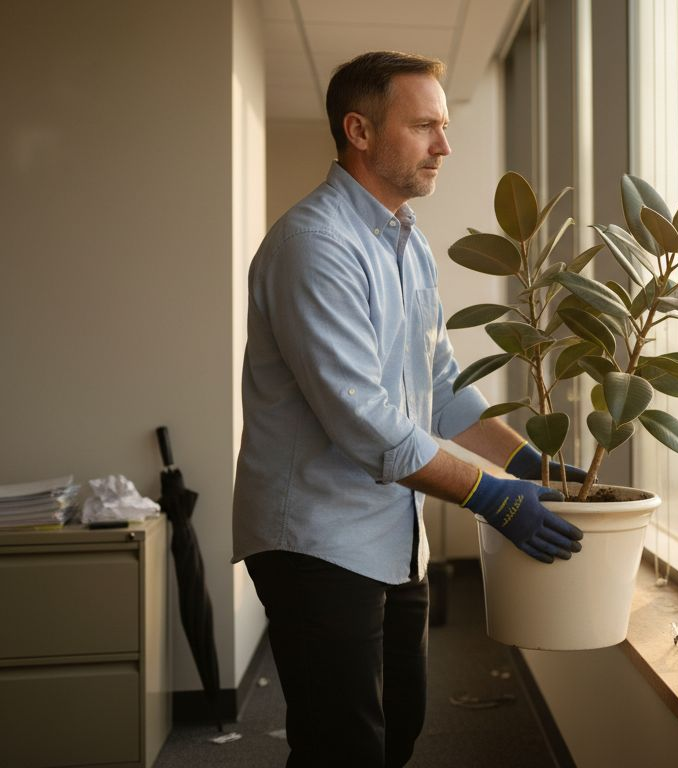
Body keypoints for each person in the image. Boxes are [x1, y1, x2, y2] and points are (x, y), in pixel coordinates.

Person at [232, 50, 584, 768]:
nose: (444, 146)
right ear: (359, 131)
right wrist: (494, 498)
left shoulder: (407, 241)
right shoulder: (314, 246)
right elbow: (366, 423)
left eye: (444, 127)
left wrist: (528, 463)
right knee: (342, 748)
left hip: (392, 536)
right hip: (316, 540)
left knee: (399, 730)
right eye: (425, 126)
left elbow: (441, 383)